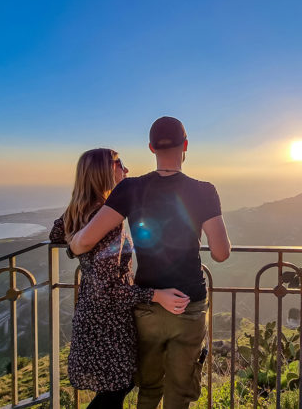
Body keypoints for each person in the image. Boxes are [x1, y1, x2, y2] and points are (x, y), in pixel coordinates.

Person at [70, 117, 231, 409]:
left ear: (151, 148)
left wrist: (72, 241)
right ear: (186, 146)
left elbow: (85, 240)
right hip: (188, 303)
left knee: (149, 387)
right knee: (180, 392)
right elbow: (220, 253)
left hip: (148, 306)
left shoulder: (130, 188)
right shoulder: (204, 190)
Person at [49, 148, 191, 409]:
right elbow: (109, 290)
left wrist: (75, 245)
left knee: (114, 389)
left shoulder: (82, 211)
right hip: (108, 322)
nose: (126, 170)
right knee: (117, 389)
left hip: (92, 314)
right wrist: (155, 295)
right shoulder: (107, 221)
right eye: (119, 164)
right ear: (103, 172)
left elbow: (56, 233)